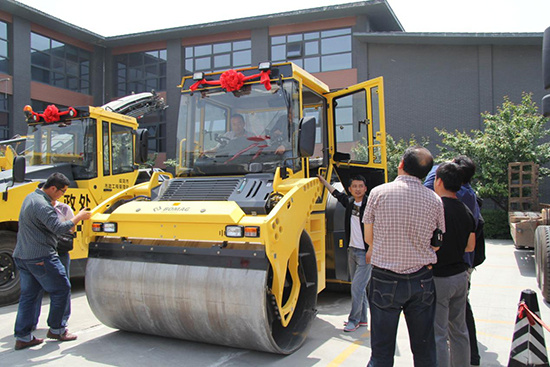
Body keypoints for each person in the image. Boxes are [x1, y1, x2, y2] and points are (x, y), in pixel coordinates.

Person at [363, 146, 445, 367]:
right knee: (425, 349)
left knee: (381, 352)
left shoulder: (378, 193)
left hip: (385, 280)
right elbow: (436, 244)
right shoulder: (435, 200)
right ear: (426, 173)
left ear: (400, 164)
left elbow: (369, 239)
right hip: (422, 280)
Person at [13, 172, 91, 350]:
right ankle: (57, 329)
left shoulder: (31, 197)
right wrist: (78, 217)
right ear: (53, 188)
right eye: (62, 192)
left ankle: (23, 336)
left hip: (22, 255)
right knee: (62, 289)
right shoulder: (43, 205)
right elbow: (58, 228)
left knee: (29, 296)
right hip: (41, 256)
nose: (62, 195)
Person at [424, 155, 484, 365]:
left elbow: (431, 245)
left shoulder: (434, 209)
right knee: (459, 330)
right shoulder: (468, 210)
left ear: (438, 181)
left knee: (438, 333)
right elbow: (470, 246)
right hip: (460, 277)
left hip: (439, 278)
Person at [318, 174, 371, 332]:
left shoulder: (371, 205)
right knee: (360, 288)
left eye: (360, 186)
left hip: (365, 253)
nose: (357, 189)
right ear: (350, 189)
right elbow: (336, 194)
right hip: (352, 251)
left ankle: (353, 320)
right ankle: (363, 319)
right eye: (354, 186)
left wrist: (373, 249)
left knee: (356, 287)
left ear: (365, 188)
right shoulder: (349, 202)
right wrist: (324, 182)